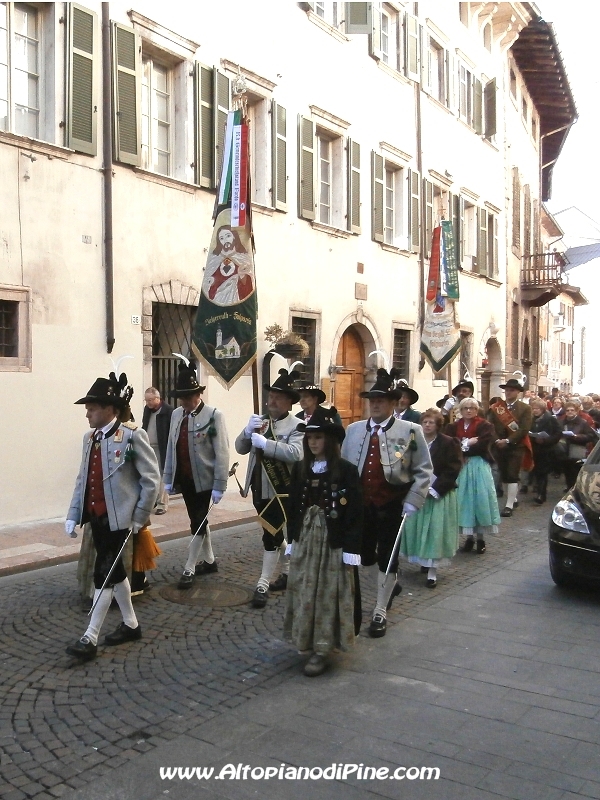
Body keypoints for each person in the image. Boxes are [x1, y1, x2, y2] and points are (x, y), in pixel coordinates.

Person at [65, 371, 160, 660]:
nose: (88, 414)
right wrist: (73, 514)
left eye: (92, 409)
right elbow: (83, 478)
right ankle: (131, 624)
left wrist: (139, 515)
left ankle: (90, 637)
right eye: (87, 409)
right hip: (97, 518)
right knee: (115, 572)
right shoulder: (89, 438)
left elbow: (151, 479)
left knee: (103, 574)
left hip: (120, 520)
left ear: (110, 409)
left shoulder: (132, 436)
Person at [341, 368, 432, 638]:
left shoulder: (412, 431)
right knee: (364, 556)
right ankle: (390, 586)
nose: (376, 404)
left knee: (388, 558)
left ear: (394, 403)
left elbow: (424, 470)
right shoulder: (354, 430)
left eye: (381, 400)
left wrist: (414, 499)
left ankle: (380, 609)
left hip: (393, 503)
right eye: (372, 400)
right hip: (361, 505)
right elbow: (346, 468)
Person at [284, 408, 362, 677]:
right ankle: (305, 639)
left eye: (318, 437)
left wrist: (351, 548)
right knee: (305, 588)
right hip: (307, 539)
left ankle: (323, 648)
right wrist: (291, 537)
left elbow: (355, 512)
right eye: (310, 438)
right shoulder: (301, 469)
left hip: (333, 541)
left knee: (329, 591)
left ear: (329, 440)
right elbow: (293, 506)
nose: (313, 442)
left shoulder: (347, 471)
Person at [235, 368, 304, 606]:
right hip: (258, 486)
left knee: (270, 535)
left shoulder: (298, 425)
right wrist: (246, 432)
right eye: (271, 396)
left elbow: (296, 453)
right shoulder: (260, 421)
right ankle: (286, 570)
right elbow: (240, 449)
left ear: (288, 402)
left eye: (278, 397)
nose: (272, 401)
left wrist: (268, 444)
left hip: (280, 489)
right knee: (272, 532)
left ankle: (263, 583)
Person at [163, 358, 230, 589]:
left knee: (198, 522)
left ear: (197, 394)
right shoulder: (176, 415)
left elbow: (222, 452)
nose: (183, 401)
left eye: (187, 397)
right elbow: (171, 448)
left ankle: (189, 567)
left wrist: (220, 484)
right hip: (185, 478)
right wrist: (168, 478)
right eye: (181, 397)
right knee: (198, 520)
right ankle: (210, 561)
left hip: (206, 479)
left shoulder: (214, 415)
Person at [400, 409, 462, 588]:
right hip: (418, 492)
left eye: (431, 422)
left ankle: (432, 571)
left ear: (437, 425)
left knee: (435, 531)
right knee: (418, 529)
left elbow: (453, 468)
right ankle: (423, 561)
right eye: (425, 422)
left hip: (438, 494)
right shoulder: (414, 441)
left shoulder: (448, 443)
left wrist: (437, 488)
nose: (427, 425)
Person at [445, 397, 500, 553]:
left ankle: (481, 539)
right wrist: (467, 443)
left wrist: (465, 444)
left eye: (472, 408)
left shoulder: (485, 425)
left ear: (477, 410)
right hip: (461, 467)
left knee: (479, 500)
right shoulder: (453, 426)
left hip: (478, 466)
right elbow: (450, 444)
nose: (469, 411)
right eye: (465, 408)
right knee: (464, 502)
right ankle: (468, 538)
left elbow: (483, 444)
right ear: (460, 410)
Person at [487, 378, 532, 518]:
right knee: (504, 474)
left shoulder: (525, 408)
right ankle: (513, 498)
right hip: (498, 446)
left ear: (518, 392)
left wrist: (508, 440)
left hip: (515, 446)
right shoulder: (496, 407)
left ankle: (509, 505)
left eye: (511, 390)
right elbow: (490, 426)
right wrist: (496, 440)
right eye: (506, 390)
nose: (508, 392)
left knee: (512, 475)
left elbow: (524, 429)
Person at [202, 225, 254, 306]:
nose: (225, 240)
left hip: (236, 306)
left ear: (234, 237)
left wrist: (242, 276)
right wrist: (211, 282)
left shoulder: (243, 258)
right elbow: (208, 284)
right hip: (216, 306)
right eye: (221, 238)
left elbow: (248, 288)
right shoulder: (215, 259)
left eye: (228, 236)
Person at [142, 388, 173, 515]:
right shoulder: (147, 410)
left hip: (162, 447)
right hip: (148, 447)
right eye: (146, 400)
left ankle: (162, 504)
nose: (148, 403)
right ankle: (153, 499)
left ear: (157, 398)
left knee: (162, 475)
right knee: (150, 475)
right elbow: (144, 425)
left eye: (150, 400)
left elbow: (171, 431)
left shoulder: (168, 411)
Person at [528, 398, 562, 505]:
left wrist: (546, 440)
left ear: (543, 409)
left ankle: (541, 495)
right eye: (533, 409)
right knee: (537, 471)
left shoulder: (550, 419)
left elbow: (558, 433)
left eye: (537, 409)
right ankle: (539, 491)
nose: (535, 411)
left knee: (543, 472)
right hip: (535, 448)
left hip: (546, 449)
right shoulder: (531, 419)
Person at [559, 402, 598, 490]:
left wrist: (578, 436)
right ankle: (569, 487)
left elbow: (591, 436)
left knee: (576, 470)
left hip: (578, 448)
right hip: (564, 448)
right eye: (568, 410)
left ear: (576, 411)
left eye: (572, 410)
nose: (570, 412)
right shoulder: (561, 422)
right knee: (567, 469)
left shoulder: (583, 422)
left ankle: (576, 488)